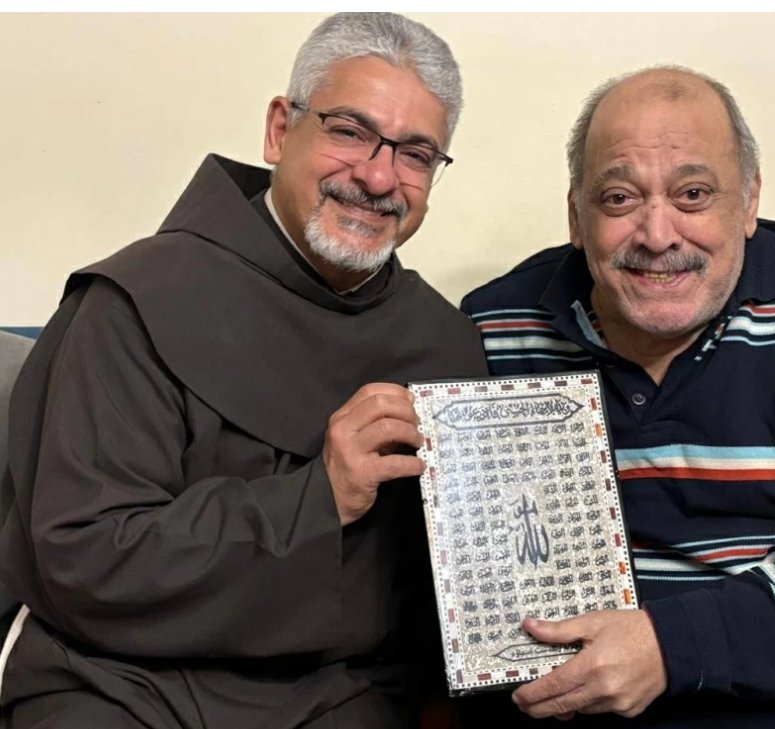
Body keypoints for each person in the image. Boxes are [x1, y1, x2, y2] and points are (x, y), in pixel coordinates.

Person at [0, 13, 486, 729]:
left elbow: (439, 601)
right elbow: (84, 557)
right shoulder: (135, 302)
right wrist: (319, 497)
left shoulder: (444, 345)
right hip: (119, 683)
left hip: (339, 695)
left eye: (415, 153)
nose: (378, 176)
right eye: (349, 131)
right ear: (280, 130)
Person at [460, 66, 775, 727]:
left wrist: (669, 648)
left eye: (693, 194)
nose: (657, 235)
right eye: (618, 198)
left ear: (749, 200)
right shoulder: (496, 328)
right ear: (576, 216)